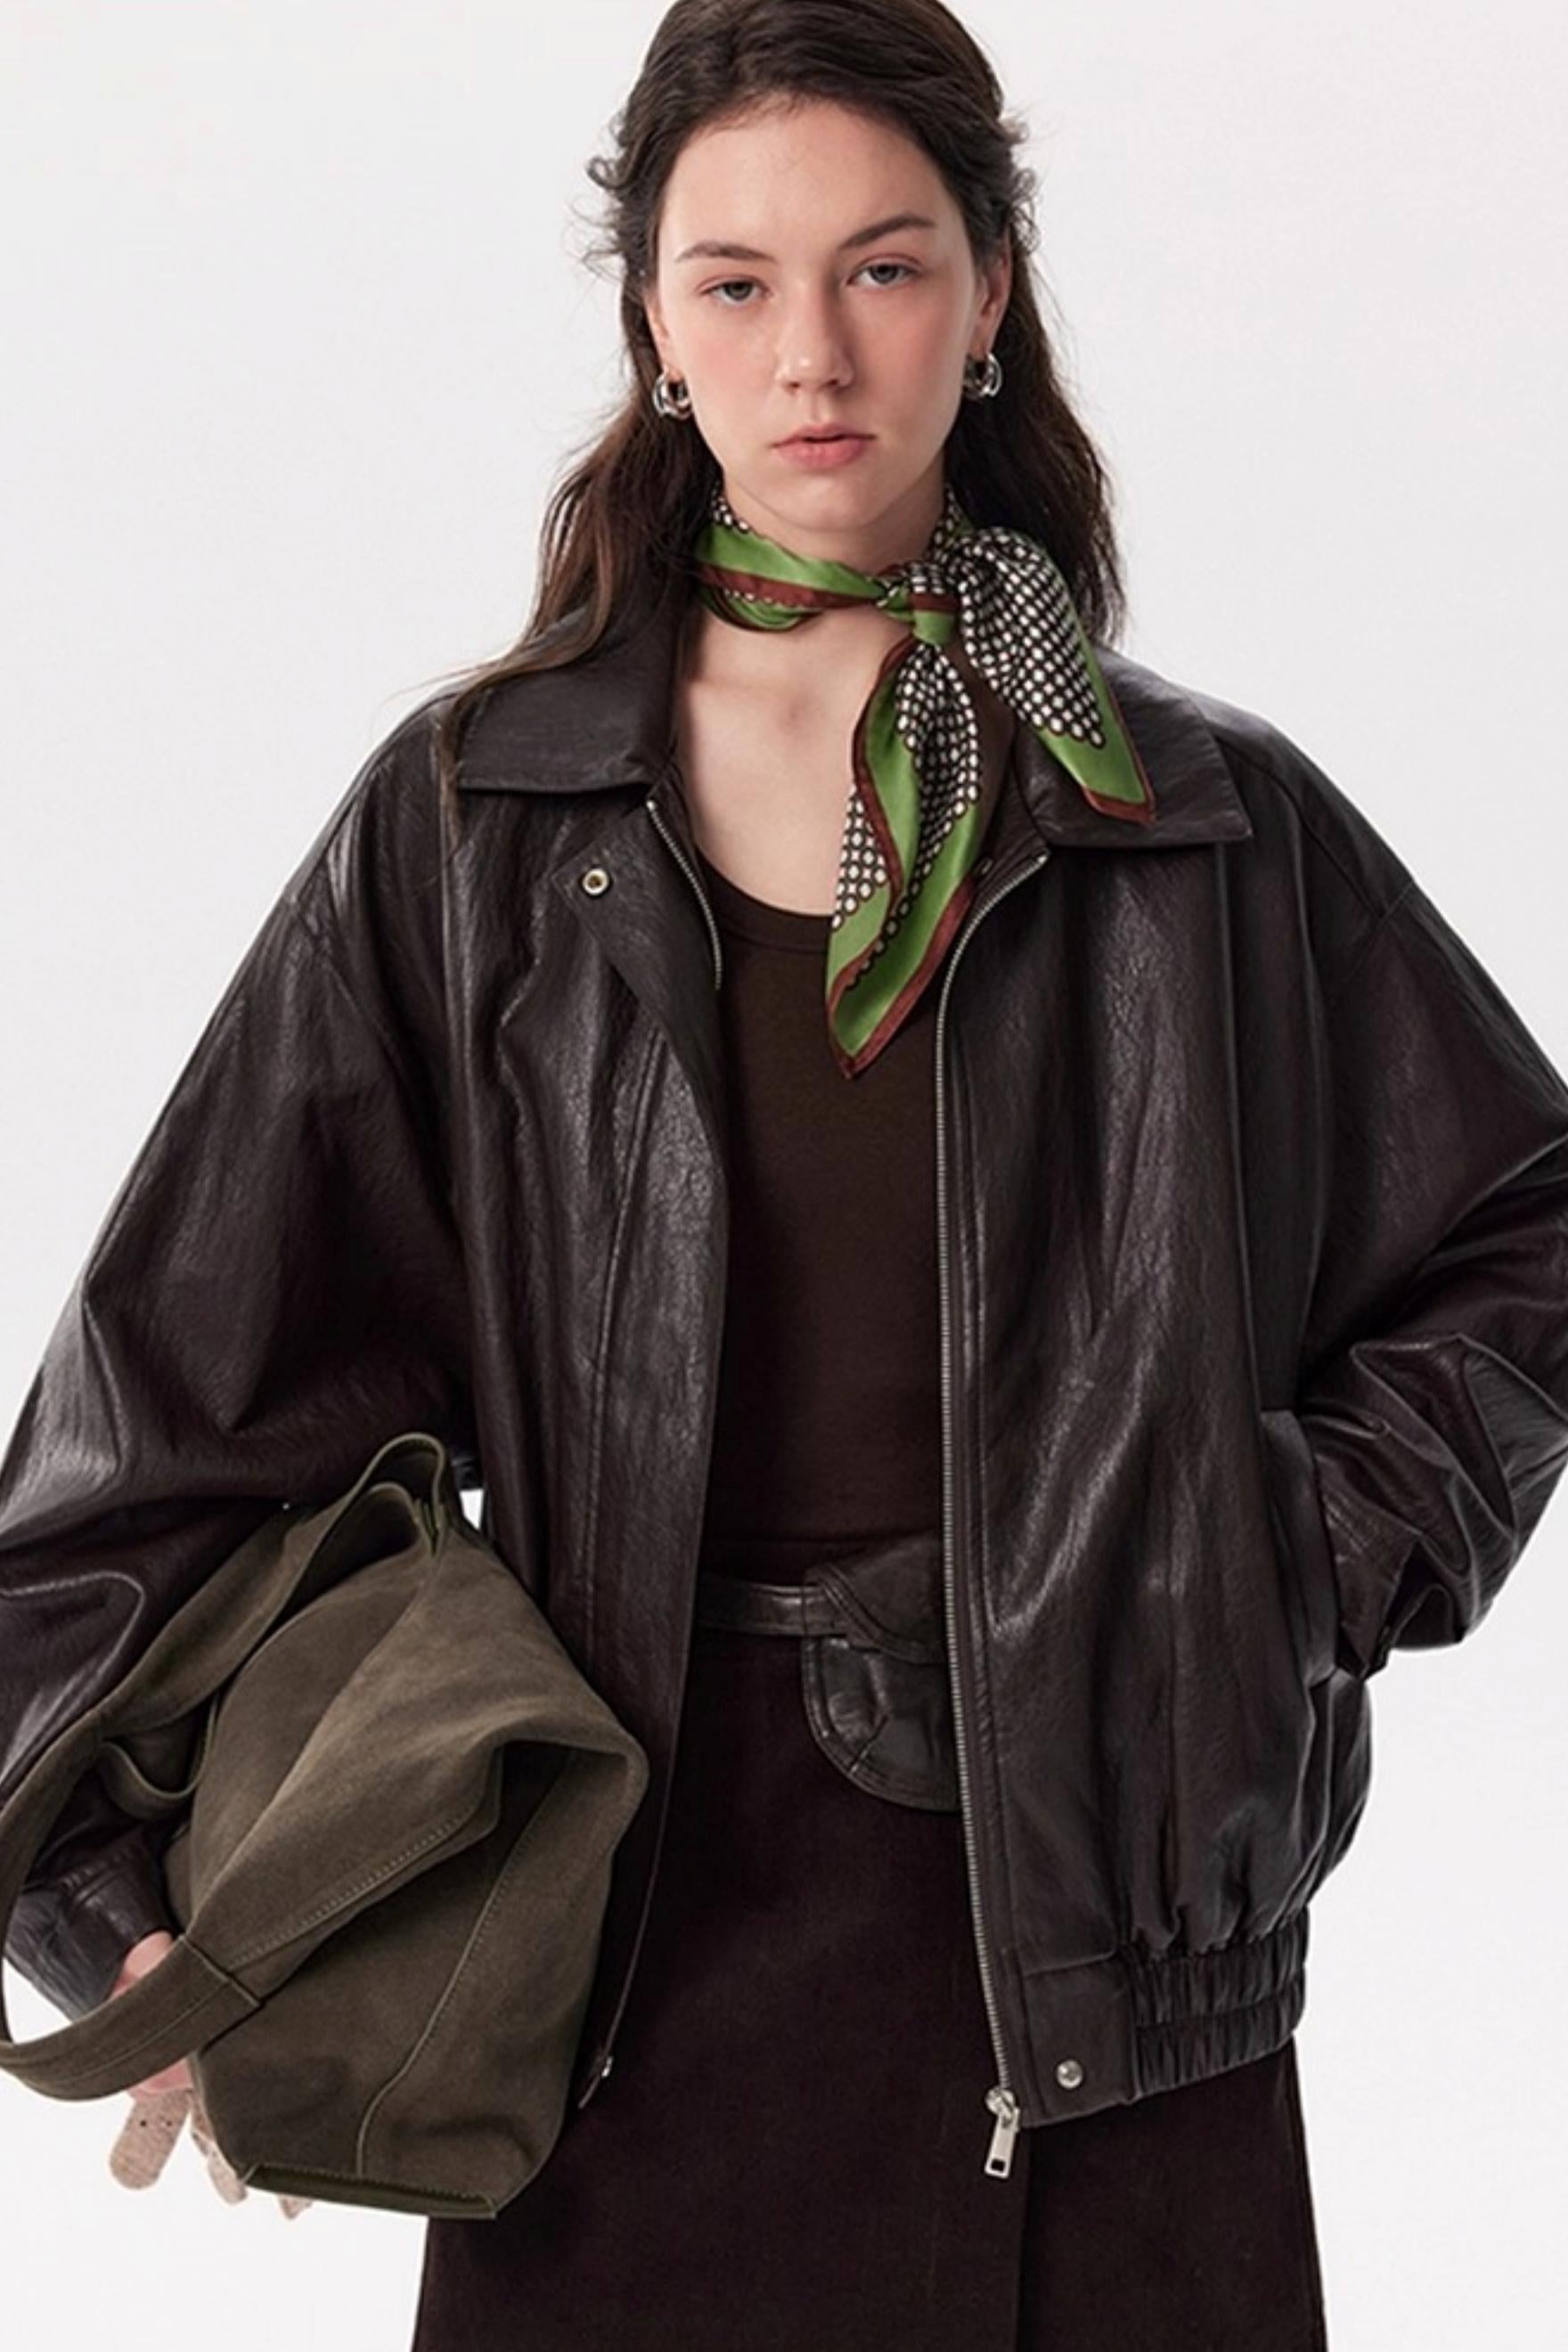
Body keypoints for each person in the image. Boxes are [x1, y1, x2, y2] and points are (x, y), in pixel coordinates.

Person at [4, 4, 1566, 2347]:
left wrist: (1277, 1569)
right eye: (732, 281)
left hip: (1109, 1942)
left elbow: (1523, 1227)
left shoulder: (1194, 820)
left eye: (884, 267)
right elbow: (173, 1395)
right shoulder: (480, 826)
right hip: (613, 1940)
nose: (810, 352)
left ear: (991, 293)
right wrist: (127, 1906)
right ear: (653, 324)